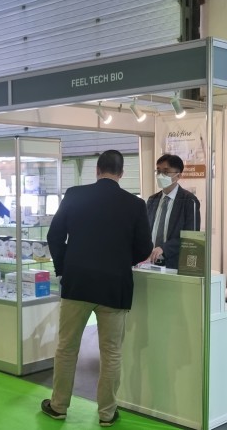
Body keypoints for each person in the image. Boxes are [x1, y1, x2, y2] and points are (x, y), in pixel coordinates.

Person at [41, 150, 153, 427]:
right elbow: (144, 248)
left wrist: (64, 267)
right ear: (122, 173)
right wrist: (120, 261)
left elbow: (54, 236)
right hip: (114, 287)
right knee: (111, 352)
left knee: (67, 348)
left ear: (97, 170)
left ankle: (58, 406)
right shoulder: (135, 204)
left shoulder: (74, 195)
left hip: (77, 283)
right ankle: (107, 413)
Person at [147, 154, 201, 269]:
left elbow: (191, 237)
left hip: (175, 264)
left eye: (166, 172)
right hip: (149, 262)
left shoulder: (189, 201)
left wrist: (164, 248)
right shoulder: (152, 200)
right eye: (158, 171)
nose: (160, 175)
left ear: (178, 175)